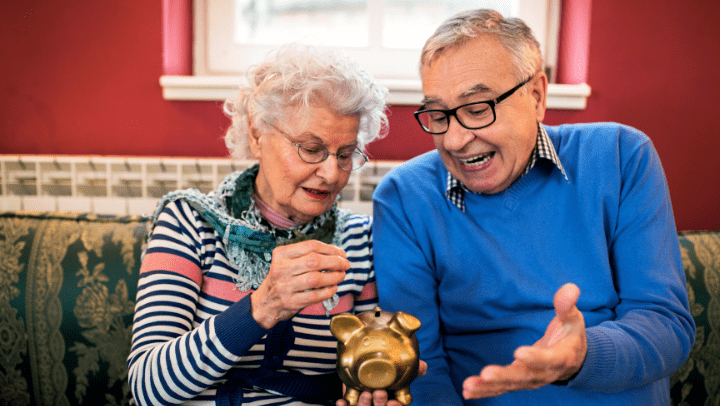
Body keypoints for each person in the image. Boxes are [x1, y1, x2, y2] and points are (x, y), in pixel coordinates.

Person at [372, 9, 695, 406]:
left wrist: (580, 357)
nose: (454, 140)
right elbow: (421, 364)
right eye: (439, 115)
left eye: (477, 109)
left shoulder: (622, 156)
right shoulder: (404, 197)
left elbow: (665, 324)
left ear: (537, 96)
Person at [127, 44, 396, 406]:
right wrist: (262, 306)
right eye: (310, 149)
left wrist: (378, 382)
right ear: (257, 135)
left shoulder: (359, 242)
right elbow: (148, 388)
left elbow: (368, 362)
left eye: (345, 154)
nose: (332, 174)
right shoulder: (189, 222)